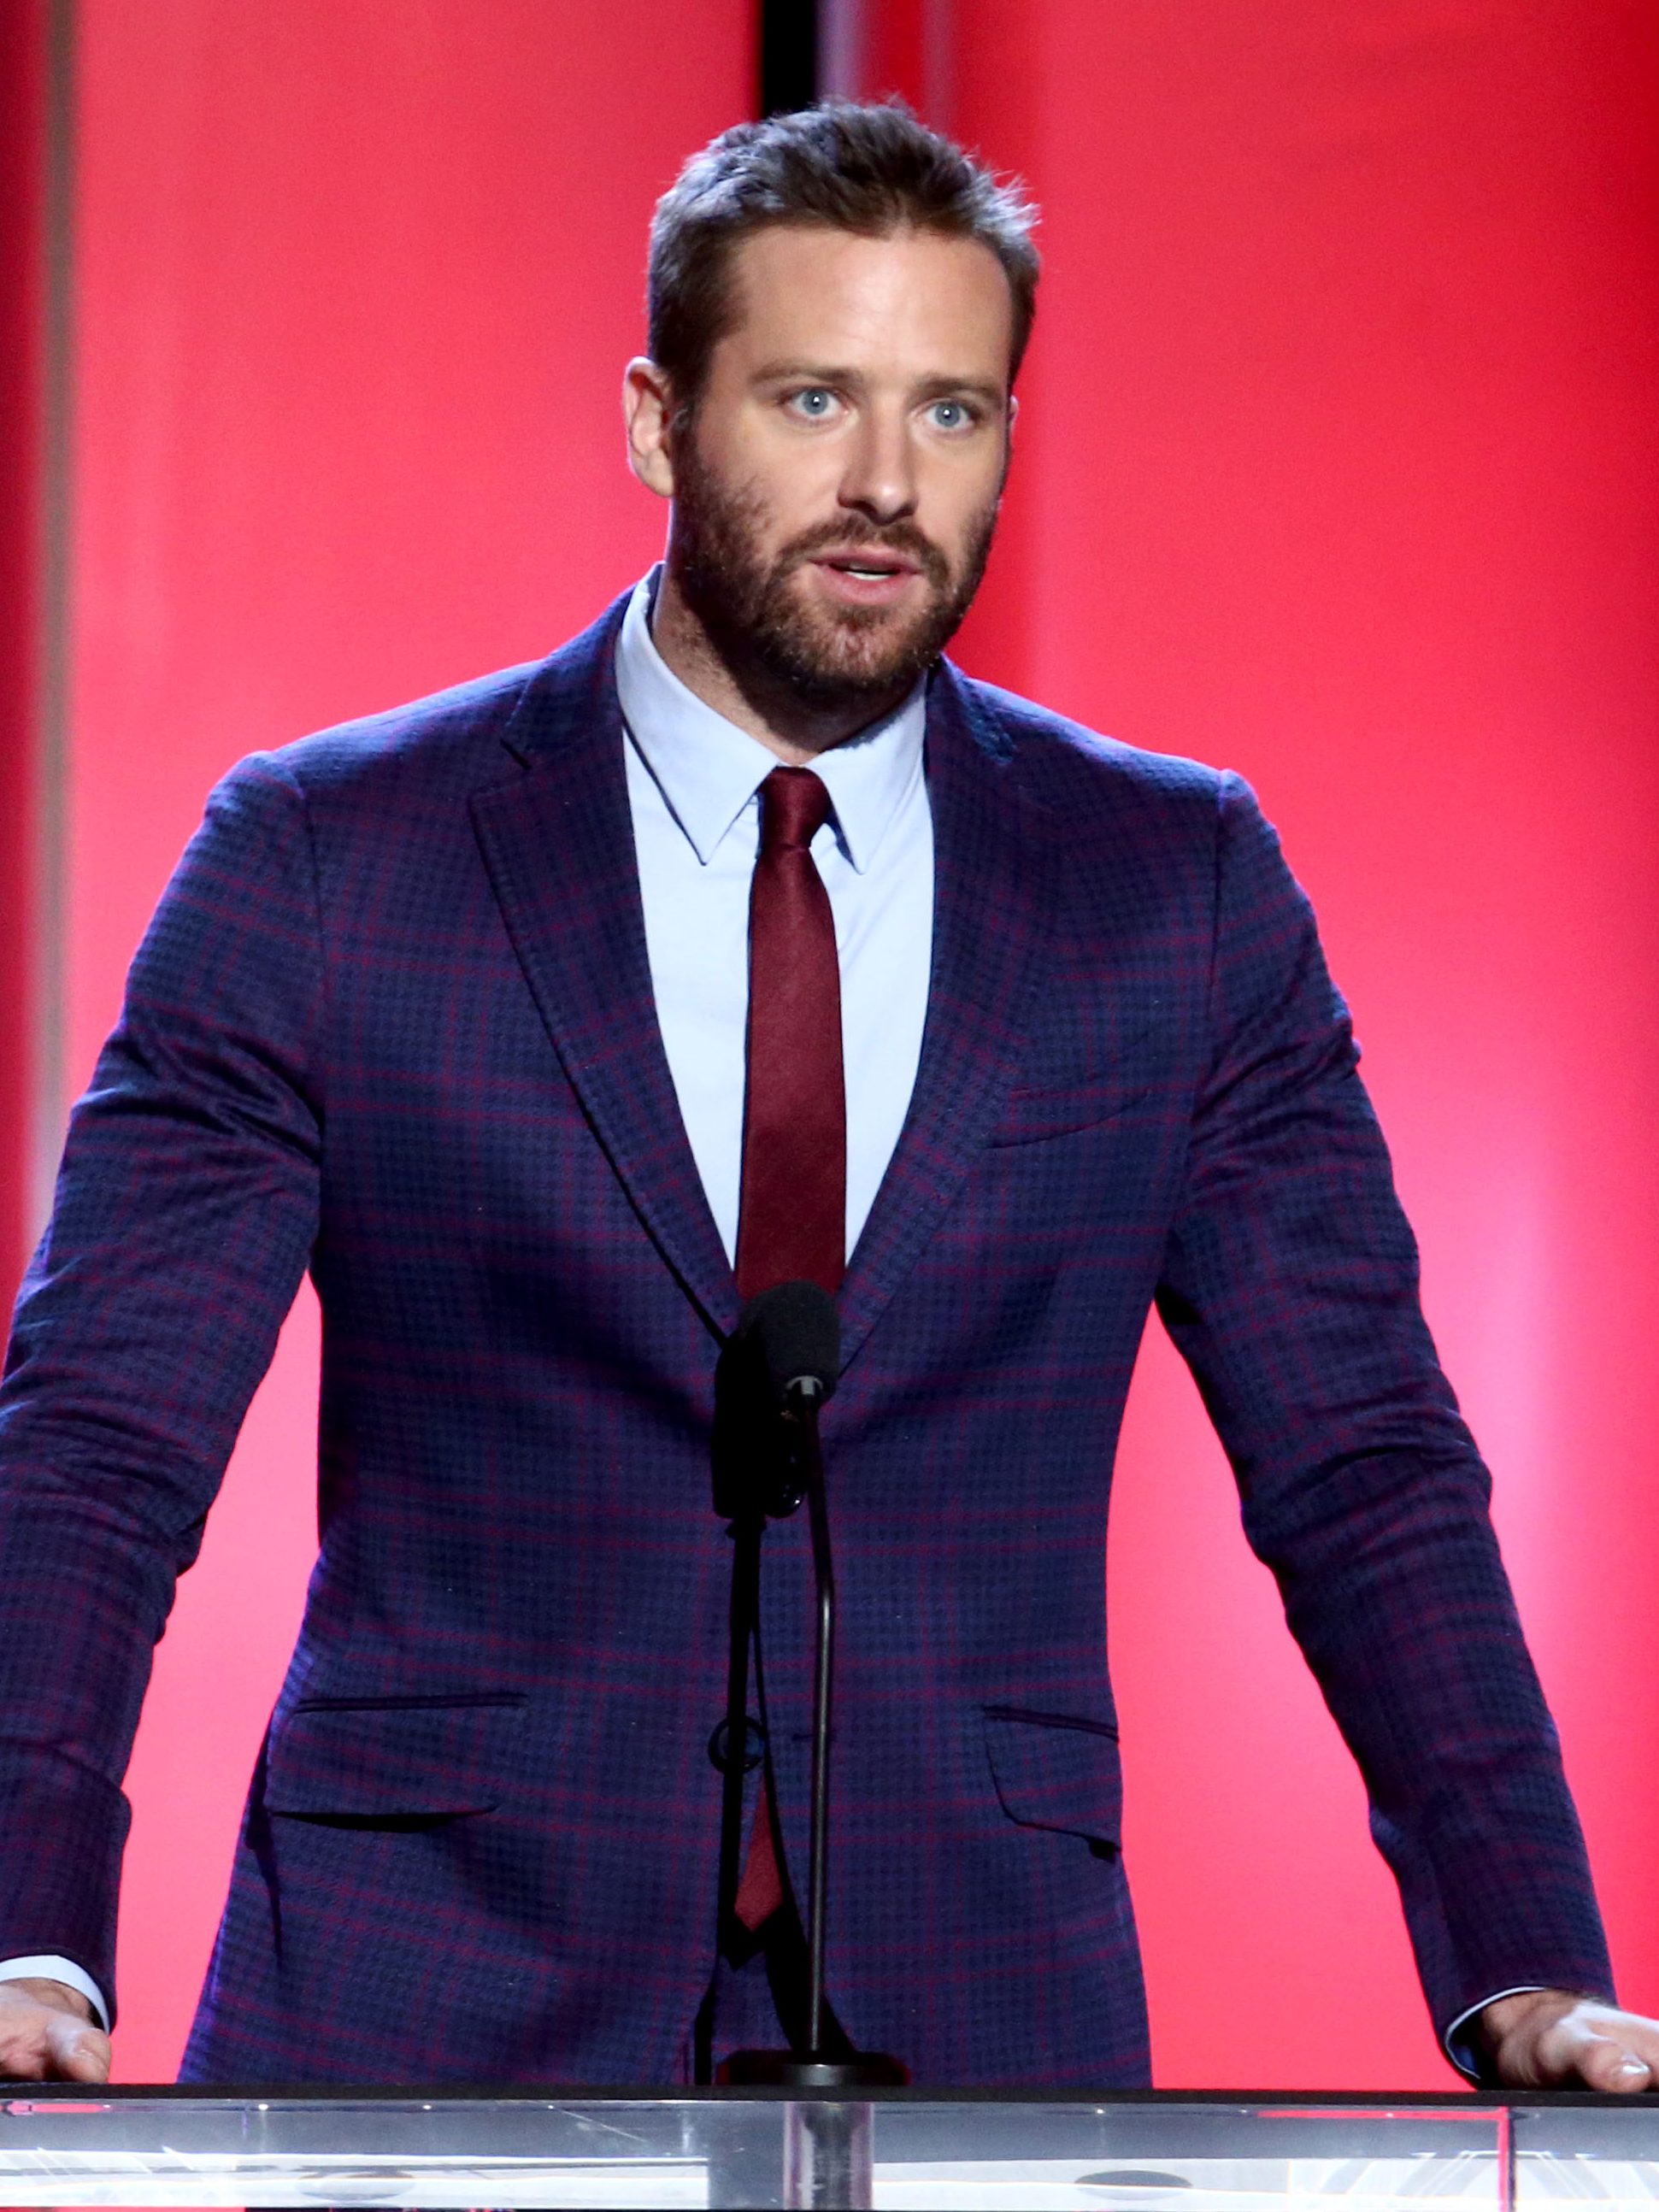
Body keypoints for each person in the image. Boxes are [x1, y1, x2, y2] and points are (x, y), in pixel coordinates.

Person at [0, 101, 1650, 2093]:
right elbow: (95, 1442)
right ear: (651, 418)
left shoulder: (1168, 885)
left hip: (980, 2004)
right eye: (809, 397)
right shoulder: (333, 856)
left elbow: (1360, 1459)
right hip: (429, 1996)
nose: (884, 483)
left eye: (951, 414)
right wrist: (23, 1923)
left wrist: (1524, 1959)